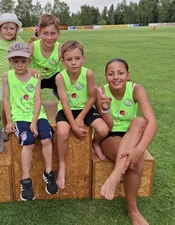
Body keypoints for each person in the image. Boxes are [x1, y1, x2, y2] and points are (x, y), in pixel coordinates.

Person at [96, 58, 157, 225]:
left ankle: (116, 177)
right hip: (110, 137)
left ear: (128, 75)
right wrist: (105, 107)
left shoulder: (136, 89)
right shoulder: (102, 92)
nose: (116, 77)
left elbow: (152, 122)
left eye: (120, 73)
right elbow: (106, 127)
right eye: (111, 73)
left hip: (132, 135)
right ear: (106, 76)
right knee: (135, 164)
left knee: (139, 121)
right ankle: (132, 211)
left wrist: (139, 150)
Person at [2, 42, 58, 201]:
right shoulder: (7, 76)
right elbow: (6, 99)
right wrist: (9, 120)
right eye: (15, 61)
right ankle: (26, 181)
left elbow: (38, 100)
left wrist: (34, 122)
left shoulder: (36, 75)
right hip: (19, 117)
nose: (19, 64)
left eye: (23, 61)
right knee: (28, 142)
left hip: (37, 115)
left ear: (29, 60)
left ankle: (49, 173)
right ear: (10, 61)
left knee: (47, 139)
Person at [55, 40, 109, 189]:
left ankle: (95, 143)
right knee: (62, 132)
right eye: (69, 59)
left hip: (85, 108)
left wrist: (80, 117)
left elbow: (93, 97)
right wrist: (74, 125)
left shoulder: (88, 73)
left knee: (103, 130)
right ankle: (61, 165)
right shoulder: (60, 77)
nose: (74, 63)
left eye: (77, 58)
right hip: (67, 110)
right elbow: (65, 103)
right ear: (63, 61)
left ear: (83, 58)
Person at [0, 13, 24, 141]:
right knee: (5, 105)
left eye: (12, 28)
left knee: (19, 102)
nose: (8, 31)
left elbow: (26, 55)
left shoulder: (19, 41)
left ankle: (20, 124)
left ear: (16, 30)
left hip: (18, 78)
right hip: (2, 81)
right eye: (5, 28)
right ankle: (6, 127)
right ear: (0, 29)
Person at [29, 14, 63, 99]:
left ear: (58, 34)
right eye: (45, 33)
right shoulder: (33, 46)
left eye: (53, 33)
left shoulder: (60, 48)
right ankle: (29, 102)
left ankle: (61, 96)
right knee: (25, 80)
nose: (49, 37)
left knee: (64, 79)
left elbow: (70, 64)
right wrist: (29, 70)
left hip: (54, 76)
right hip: (37, 76)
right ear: (39, 33)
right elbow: (21, 66)